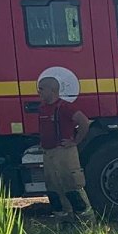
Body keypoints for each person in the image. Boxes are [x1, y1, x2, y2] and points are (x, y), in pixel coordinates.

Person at [36, 76, 95, 223]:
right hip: (48, 153)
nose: (39, 92)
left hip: (64, 153)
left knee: (72, 186)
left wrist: (75, 141)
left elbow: (84, 122)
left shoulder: (65, 107)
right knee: (54, 188)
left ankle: (86, 221)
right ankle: (64, 221)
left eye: (42, 89)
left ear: (53, 90)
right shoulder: (42, 108)